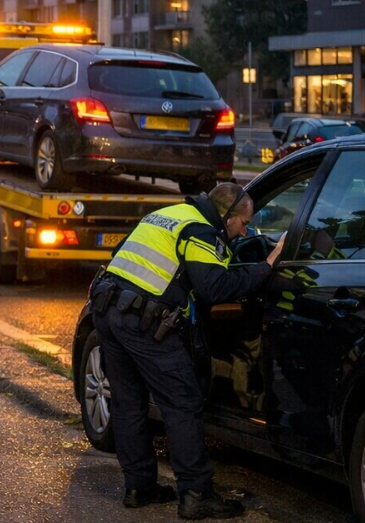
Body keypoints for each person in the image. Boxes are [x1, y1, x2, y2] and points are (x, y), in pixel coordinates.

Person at [90, 183, 286, 519]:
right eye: (243, 223)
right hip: (140, 319)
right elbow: (215, 288)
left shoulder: (167, 215)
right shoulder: (201, 232)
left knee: (128, 401)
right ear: (226, 216)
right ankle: (197, 494)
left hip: (107, 308)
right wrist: (267, 265)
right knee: (182, 402)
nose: (245, 231)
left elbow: (125, 257)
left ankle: (139, 488)